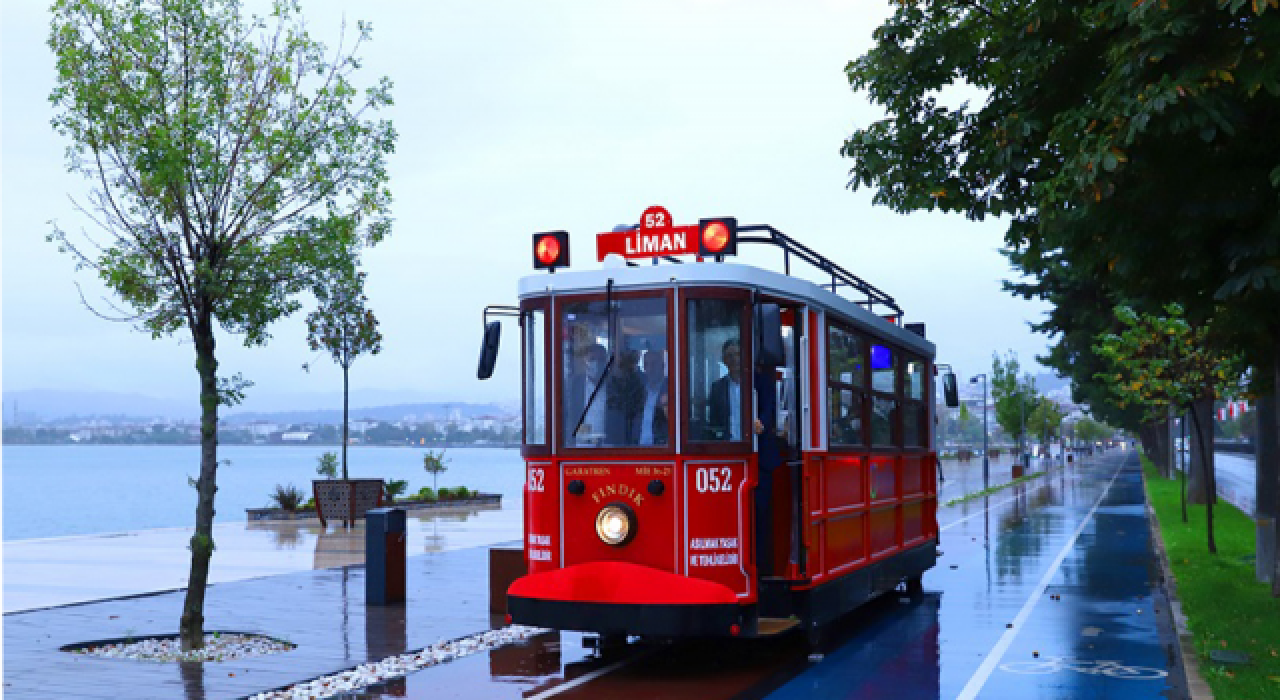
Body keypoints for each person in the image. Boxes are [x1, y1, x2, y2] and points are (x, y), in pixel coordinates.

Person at [565, 343, 608, 445]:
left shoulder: (614, 386)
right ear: (585, 361)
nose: (596, 363)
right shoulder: (574, 385)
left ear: (606, 362)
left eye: (601, 359)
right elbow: (566, 415)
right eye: (592, 359)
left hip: (607, 447)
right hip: (580, 446)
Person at [636, 349, 668, 445]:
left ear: (662, 367)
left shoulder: (671, 390)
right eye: (646, 365)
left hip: (661, 450)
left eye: (654, 364)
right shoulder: (638, 392)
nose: (650, 369)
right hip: (637, 449)